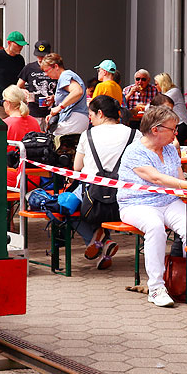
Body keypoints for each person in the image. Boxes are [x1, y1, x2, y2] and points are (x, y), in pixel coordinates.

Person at [117, 105, 187, 307]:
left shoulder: (171, 149)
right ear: (155, 129)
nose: (176, 133)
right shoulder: (134, 151)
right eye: (173, 129)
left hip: (169, 201)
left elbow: (179, 181)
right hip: (136, 204)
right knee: (155, 227)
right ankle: (156, 287)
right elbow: (156, 178)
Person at [72, 95, 134, 270]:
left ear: (100, 113)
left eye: (90, 114)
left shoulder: (87, 135)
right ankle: (103, 244)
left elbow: (77, 167)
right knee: (98, 206)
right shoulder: (134, 134)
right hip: (123, 198)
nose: (89, 118)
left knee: (65, 207)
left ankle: (100, 241)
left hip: (91, 198)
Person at [41, 53, 89, 136]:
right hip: (78, 118)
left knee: (53, 139)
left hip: (73, 119)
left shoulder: (64, 75)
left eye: (46, 71)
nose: (46, 74)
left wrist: (59, 107)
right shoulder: (68, 75)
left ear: (56, 66)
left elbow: (77, 91)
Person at [2, 85, 41, 188]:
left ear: (7, 103)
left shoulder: (4, 124)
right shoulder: (34, 121)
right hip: (34, 178)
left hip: (10, 179)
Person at [16, 40, 55, 126]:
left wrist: (54, 97)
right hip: (34, 110)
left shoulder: (55, 68)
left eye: (43, 56)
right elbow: (19, 86)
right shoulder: (29, 67)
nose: (41, 58)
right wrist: (24, 92)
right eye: (39, 56)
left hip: (52, 111)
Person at [155, 72, 187, 142]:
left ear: (162, 84)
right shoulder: (167, 93)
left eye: (156, 84)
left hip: (181, 126)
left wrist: (143, 107)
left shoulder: (174, 92)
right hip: (172, 126)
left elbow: (159, 104)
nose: (155, 86)